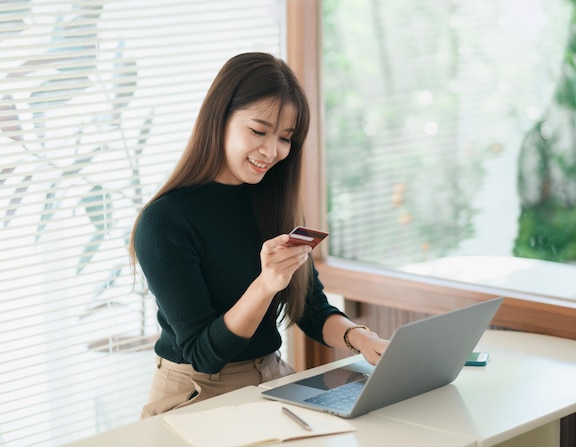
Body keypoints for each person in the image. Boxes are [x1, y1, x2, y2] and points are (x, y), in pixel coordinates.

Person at [129, 52, 388, 418]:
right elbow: (205, 354)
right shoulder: (164, 221)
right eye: (258, 131)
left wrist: (363, 339)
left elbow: (311, 308)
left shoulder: (274, 204)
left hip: (270, 376)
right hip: (197, 392)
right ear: (219, 119)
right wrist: (266, 283)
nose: (272, 151)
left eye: (285, 138)